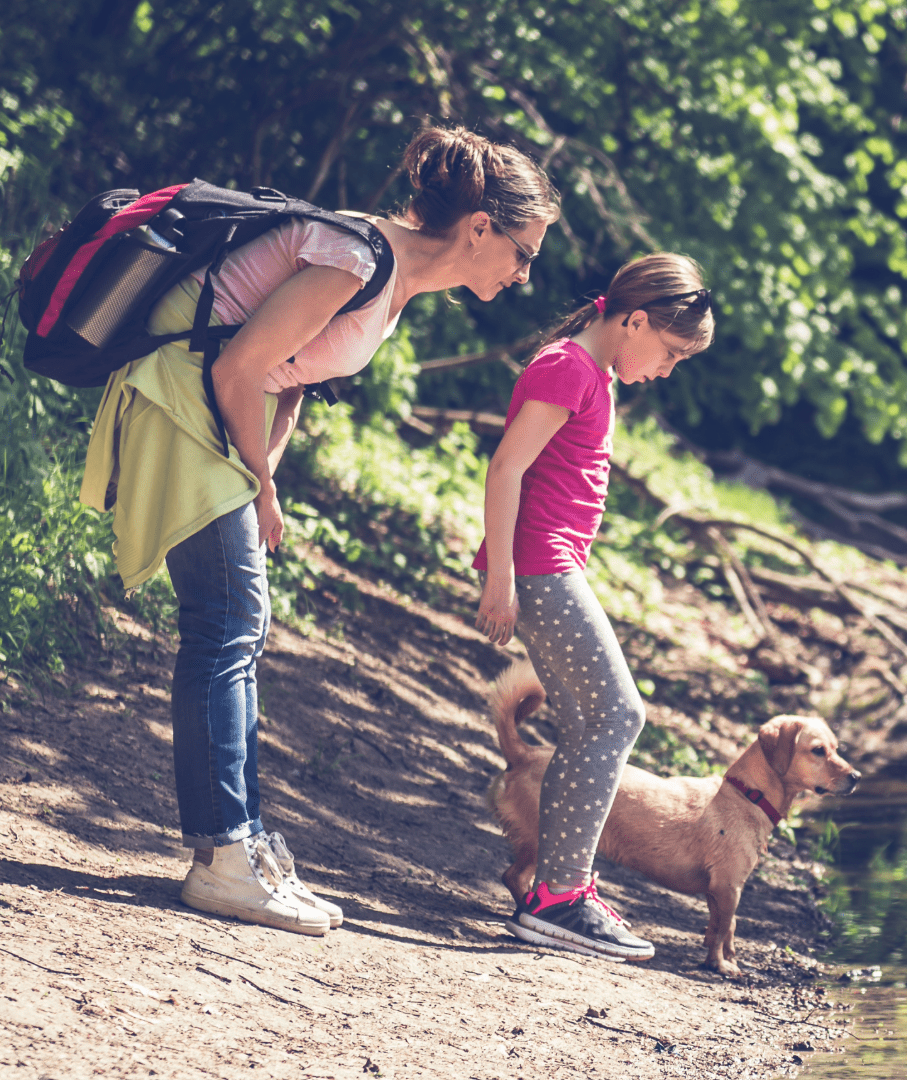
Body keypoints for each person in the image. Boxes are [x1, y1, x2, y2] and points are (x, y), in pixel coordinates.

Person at [80, 125, 561, 935]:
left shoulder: (397, 284)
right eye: (524, 253)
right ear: (480, 228)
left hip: (217, 415)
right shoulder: (360, 255)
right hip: (180, 398)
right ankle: (224, 856)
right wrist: (260, 485)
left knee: (236, 626)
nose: (524, 273)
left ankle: (239, 844)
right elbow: (236, 366)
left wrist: (264, 469)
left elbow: (297, 375)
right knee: (228, 624)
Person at [472, 253, 714, 960]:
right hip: (539, 567)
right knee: (619, 714)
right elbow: (506, 467)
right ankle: (561, 896)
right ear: (634, 319)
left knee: (587, 721)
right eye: (669, 353)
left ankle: (560, 892)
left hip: (556, 564)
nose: (668, 369)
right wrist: (502, 580)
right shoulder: (567, 368)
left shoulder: (594, 373)